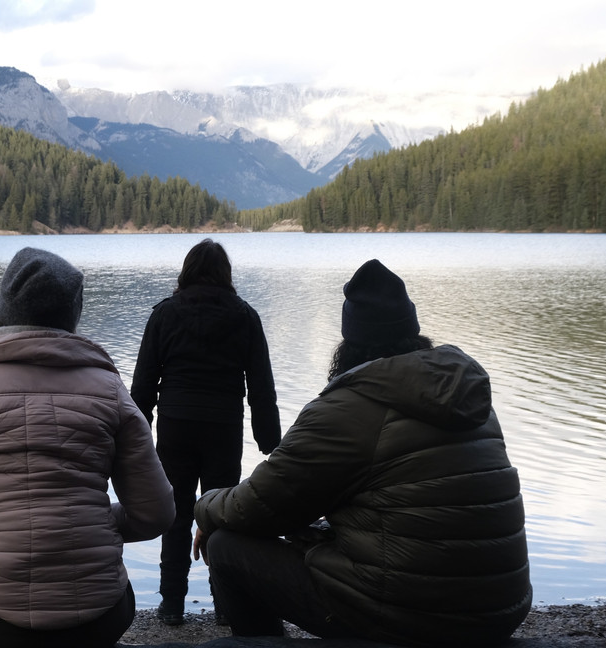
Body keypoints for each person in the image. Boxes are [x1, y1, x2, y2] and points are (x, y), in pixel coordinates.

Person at [192, 259, 531, 647]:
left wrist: (207, 507)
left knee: (226, 545)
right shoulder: (469, 396)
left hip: (415, 618)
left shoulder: (348, 408)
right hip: (502, 608)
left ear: (348, 342)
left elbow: (256, 504)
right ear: (413, 332)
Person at [0, 247, 175, 648]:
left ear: (5, 308)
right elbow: (156, 514)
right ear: (73, 315)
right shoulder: (110, 390)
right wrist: (97, 521)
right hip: (102, 616)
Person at [129, 237, 281, 625]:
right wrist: (270, 443)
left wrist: (134, 434)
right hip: (223, 428)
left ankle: (171, 606)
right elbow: (261, 386)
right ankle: (225, 606)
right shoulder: (245, 316)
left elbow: (144, 380)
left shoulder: (164, 314)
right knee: (220, 517)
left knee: (176, 515)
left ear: (187, 272)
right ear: (224, 275)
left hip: (176, 427)